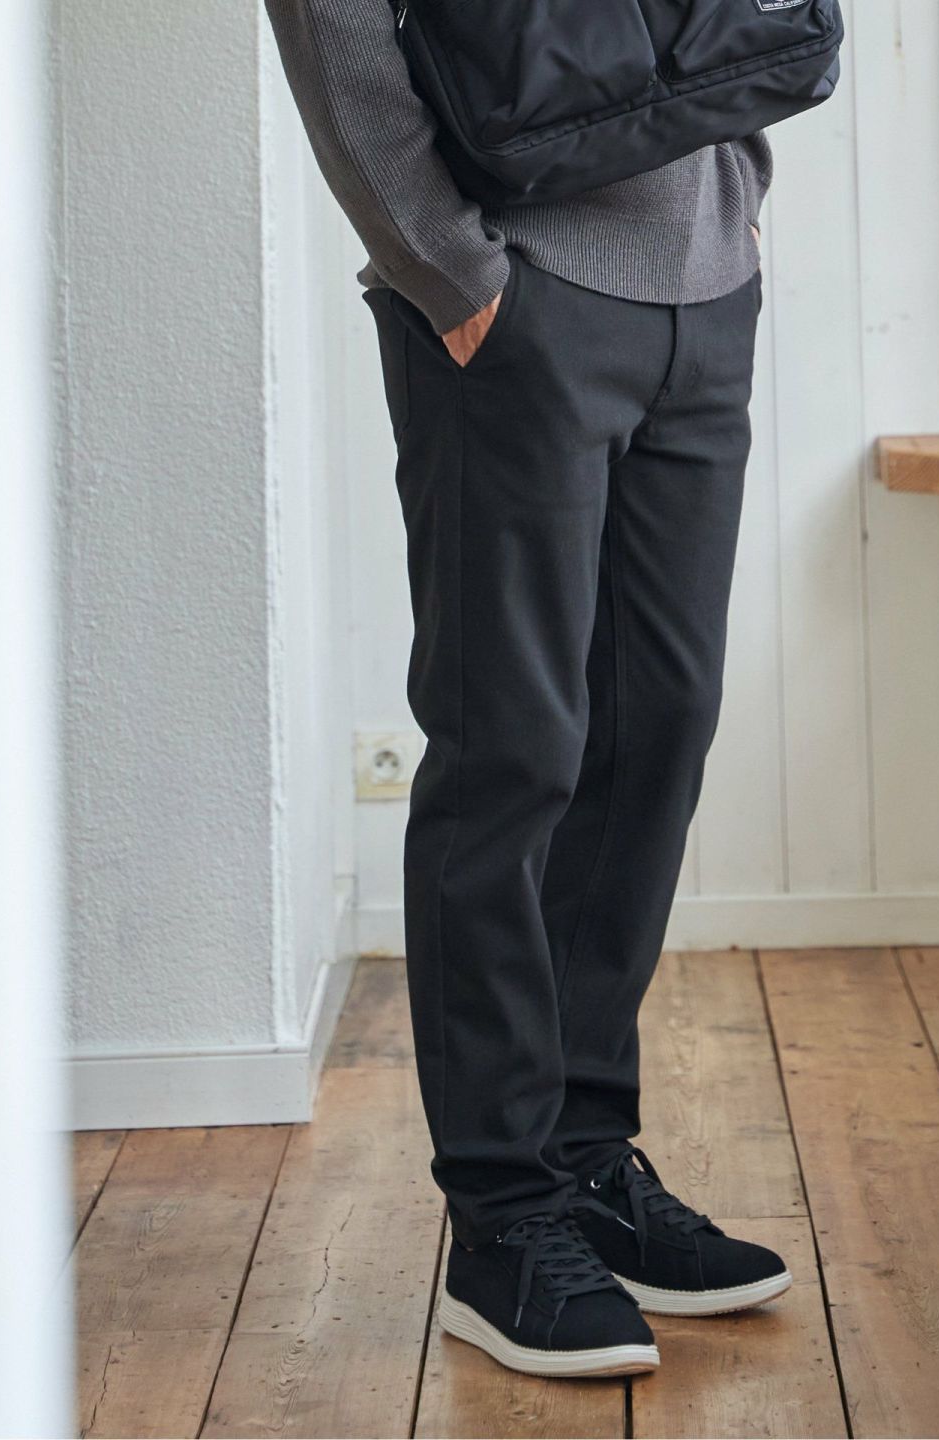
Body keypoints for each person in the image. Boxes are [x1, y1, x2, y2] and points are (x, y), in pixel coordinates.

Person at [266, 0, 792, 1379]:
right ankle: (502, 1220)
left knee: (656, 729)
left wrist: (737, 206)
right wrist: (450, 272)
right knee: (512, 751)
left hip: (703, 294)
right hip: (516, 296)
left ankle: (585, 1160)